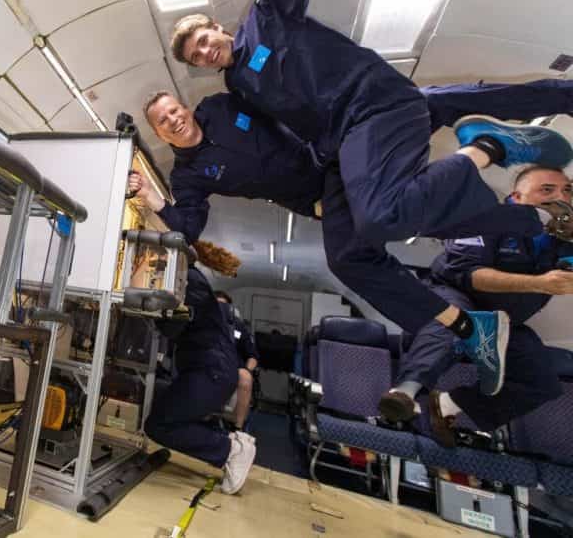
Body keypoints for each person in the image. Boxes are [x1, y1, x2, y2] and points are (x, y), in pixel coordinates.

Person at [166, 0, 573, 390]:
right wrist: (310, 192)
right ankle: (470, 322)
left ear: (217, 28)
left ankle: (493, 145)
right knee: (348, 257)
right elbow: (285, 136)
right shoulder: (236, 89)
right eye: (196, 57)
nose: (204, 51)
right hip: (344, 147)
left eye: (202, 39)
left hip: (371, 103)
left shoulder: (267, 15)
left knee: (387, 212)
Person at [129, 84, 573, 395]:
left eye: (175, 110)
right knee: (386, 238)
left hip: (337, 152)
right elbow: (186, 229)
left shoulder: (220, 105)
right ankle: (521, 237)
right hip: (324, 196)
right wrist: (152, 197)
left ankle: (511, 132)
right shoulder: (187, 175)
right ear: (159, 133)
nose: (175, 119)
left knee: (419, 107)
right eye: (164, 121)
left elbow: (275, 94)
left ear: (184, 107)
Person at [379, 167, 573, 447]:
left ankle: (446, 404)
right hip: (457, 293)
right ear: (516, 198)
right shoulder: (486, 219)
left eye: (567, 190)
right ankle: (405, 392)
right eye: (547, 190)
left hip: (506, 319)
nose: (561, 196)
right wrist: (541, 283)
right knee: (455, 323)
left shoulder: (561, 239)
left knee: (541, 381)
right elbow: (469, 274)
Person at [145, 267, 256, 494]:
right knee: (163, 417)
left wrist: (145, 302)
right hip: (206, 369)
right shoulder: (190, 280)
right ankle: (229, 445)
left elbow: (173, 326)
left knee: (159, 425)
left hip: (211, 372)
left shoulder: (190, 283)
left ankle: (230, 449)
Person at [214, 290, 260, 429]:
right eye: (217, 306)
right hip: (209, 363)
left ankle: (238, 427)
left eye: (224, 306)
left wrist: (247, 369)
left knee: (245, 377)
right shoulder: (205, 323)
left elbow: (253, 356)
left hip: (233, 368)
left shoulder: (238, 326)